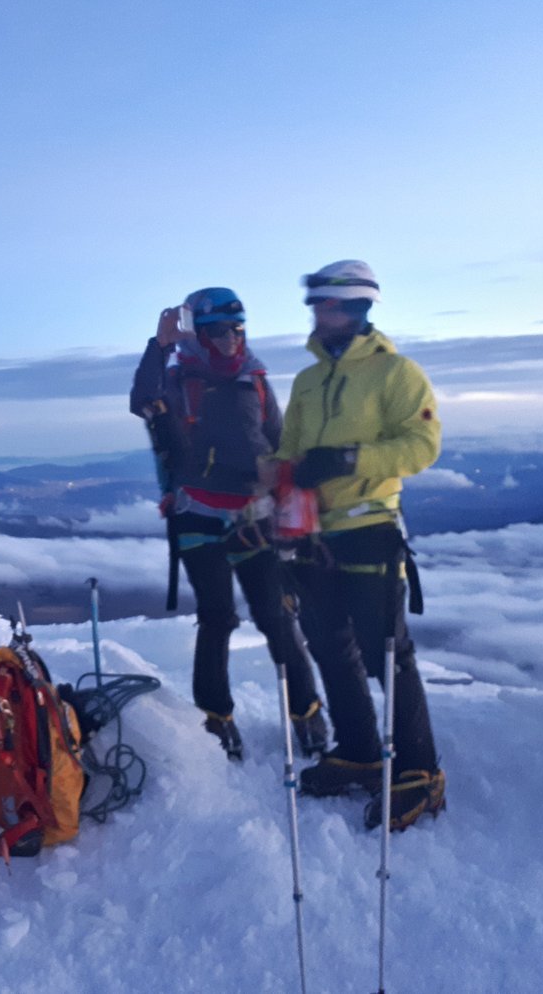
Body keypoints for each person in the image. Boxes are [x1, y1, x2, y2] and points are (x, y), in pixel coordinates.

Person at [270, 259, 446, 831]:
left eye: (329, 305)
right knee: (330, 646)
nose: (319, 315)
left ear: (357, 309)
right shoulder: (307, 382)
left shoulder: (396, 373)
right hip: (312, 535)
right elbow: (289, 455)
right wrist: (265, 493)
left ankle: (421, 774)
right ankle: (362, 751)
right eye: (317, 305)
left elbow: (421, 446)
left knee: (386, 653)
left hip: (370, 526)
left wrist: (350, 460)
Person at [130, 287, 328, 761]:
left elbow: (277, 441)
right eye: (217, 331)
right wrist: (159, 346)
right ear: (197, 334)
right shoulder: (176, 378)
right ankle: (217, 719)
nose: (228, 340)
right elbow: (142, 400)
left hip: (253, 516)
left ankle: (308, 714)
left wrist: (292, 506)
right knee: (217, 618)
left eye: (237, 330)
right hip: (196, 513)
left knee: (277, 616)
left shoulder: (254, 379)